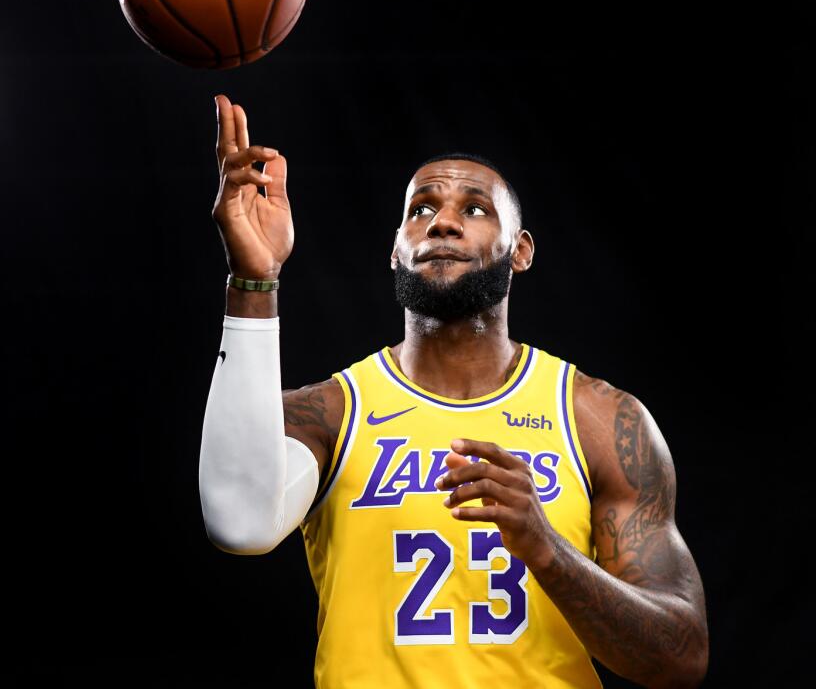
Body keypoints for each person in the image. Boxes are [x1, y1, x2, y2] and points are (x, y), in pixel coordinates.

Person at [198, 94, 709, 688]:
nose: (442, 221)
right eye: (420, 209)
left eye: (475, 209)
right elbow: (237, 522)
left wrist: (545, 546)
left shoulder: (599, 419)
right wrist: (253, 280)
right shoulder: (332, 413)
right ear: (395, 251)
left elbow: (681, 658)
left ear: (521, 251)